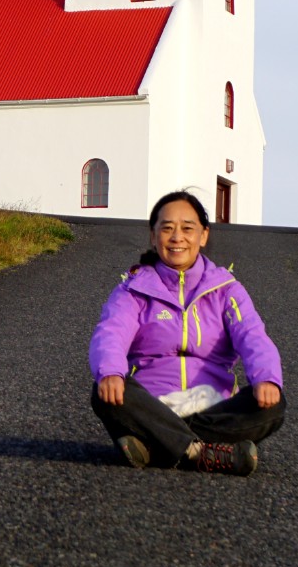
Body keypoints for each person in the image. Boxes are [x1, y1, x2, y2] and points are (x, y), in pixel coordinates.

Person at [88, 190, 286, 475]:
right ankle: (202, 453)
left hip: (213, 409)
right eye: (167, 228)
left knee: (274, 405)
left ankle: (158, 445)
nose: (177, 237)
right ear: (153, 236)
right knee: (104, 391)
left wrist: (266, 377)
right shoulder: (133, 290)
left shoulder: (226, 290)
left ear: (203, 235)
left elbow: (252, 335)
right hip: (152, 405)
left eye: (187, 228)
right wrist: (110, 372)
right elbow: (111, 332)